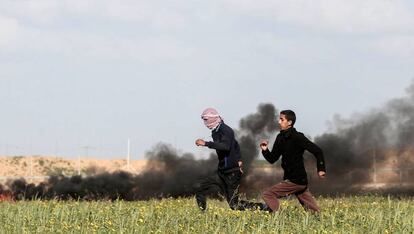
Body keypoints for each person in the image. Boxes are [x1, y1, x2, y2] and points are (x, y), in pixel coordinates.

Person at [194, 107, 261, 211]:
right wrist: (239, 159)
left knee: (234, 205)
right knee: (200, 187)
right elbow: (235, 144)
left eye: (206, 119)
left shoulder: (225, 130)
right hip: (221, 172)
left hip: (231, 173)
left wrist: (206, 143)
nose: (204, 122)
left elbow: (226, 146)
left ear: (213, 118)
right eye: (203, 119)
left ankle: (264, 208)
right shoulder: (215, 131)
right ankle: (202, 214)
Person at [260, 110, 326, 213]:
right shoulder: (280, 137)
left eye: (282, 119)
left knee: (268, 194)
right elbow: (272, 158)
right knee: (313, 211)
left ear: (289, 122)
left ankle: (278, 218)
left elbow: (318, 151)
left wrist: (321, 169)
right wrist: (265, 150)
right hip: (296, 181)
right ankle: (319, 220)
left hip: (296, 179)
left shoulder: (298, 137)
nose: (279, 122)